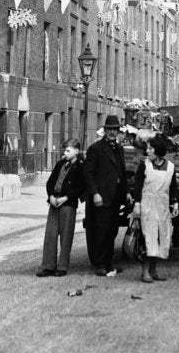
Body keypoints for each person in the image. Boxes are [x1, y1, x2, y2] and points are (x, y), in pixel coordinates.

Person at [83, 116, 130, 276]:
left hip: (115, 196)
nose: (112, 132)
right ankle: (100, 264)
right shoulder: (96, 149)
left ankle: (109, 264)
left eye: (115, 129)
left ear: (118, 131)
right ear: (105, 130)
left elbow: (122, 172)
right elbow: (88, 174)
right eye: (109, 129)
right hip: (101, 198)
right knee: (101, 231)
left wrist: (127, 192)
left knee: (112, 230)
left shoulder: (119, 149)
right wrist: (95, 193)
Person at [37, 138, 85, 277]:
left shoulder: (80, 167)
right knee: (50, 234)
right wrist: (51, 196)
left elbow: (80, 187)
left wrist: (66, 198)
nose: (65, 152)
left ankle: (62, 266)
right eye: (64, 150)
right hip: (54, 202)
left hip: (68, 204)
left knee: (66, 235)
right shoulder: (60, 164)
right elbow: (50, 182)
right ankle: (48, 265)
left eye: (68, 150)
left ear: (76, 151)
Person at [133, 135, 178, 283]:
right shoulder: (144, 165)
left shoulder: (170, 167)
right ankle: (145, 271)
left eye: (151, 148)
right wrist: (137, 203)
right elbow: (138, 185)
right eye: (147, 148)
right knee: (147, 237)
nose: (148, 151)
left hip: (162, 206)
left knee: (159, 236)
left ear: (158, 150)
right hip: (147, 205)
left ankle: (153, 270)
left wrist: (175, 203)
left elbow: (173, 187)